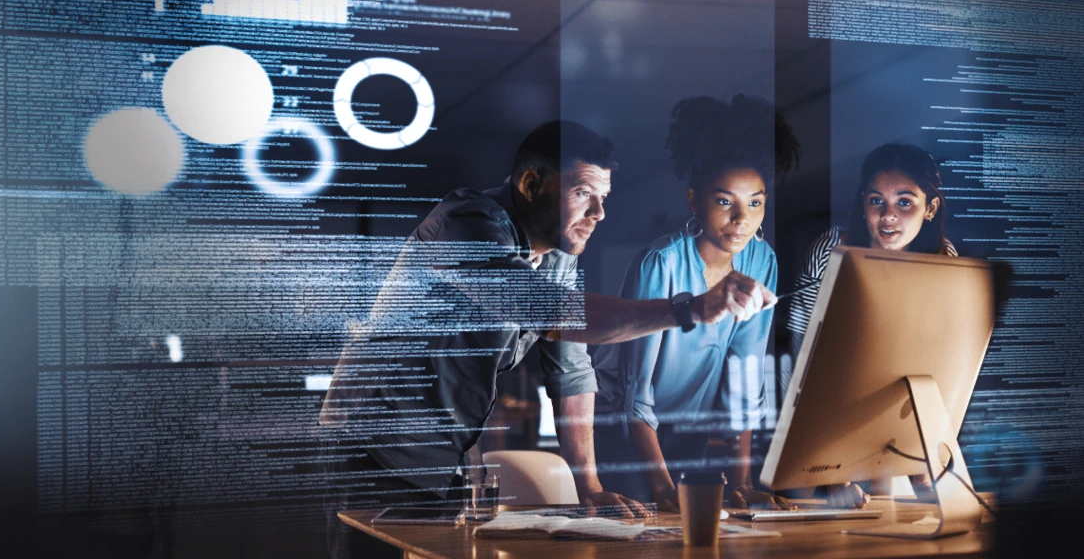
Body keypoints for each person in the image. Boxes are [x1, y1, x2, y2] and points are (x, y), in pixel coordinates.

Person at [319, 120, 776, 559]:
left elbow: (571, 370)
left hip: (449, 453)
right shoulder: (466, 224)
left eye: (603, 197)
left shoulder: (559, 257)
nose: (598, 213)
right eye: (582, 194)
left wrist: (588, 487)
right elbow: (547, 310)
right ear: (531, 184)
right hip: (374, 446)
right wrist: (687, 309)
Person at [592, 95, 799, 513]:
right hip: (626, 438)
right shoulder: (661, 263)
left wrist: (743, 483)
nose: (741, 218)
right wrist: (663, 487)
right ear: (694, 200)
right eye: (724, 201)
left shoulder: (762, 261)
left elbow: (745, 379)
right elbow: (635, 394)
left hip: (690, 433)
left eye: (755, 203)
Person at [785, 142, 957, 507]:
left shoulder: (945, 259)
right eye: (877, 200)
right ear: (863, 203)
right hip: (823, 413)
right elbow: (801, 361)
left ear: (930, 208)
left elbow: (940, 364)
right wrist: (829, 472)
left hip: (902, 413)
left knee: (903, 504)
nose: (888, 215)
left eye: (904, 202)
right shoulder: (830, 251)